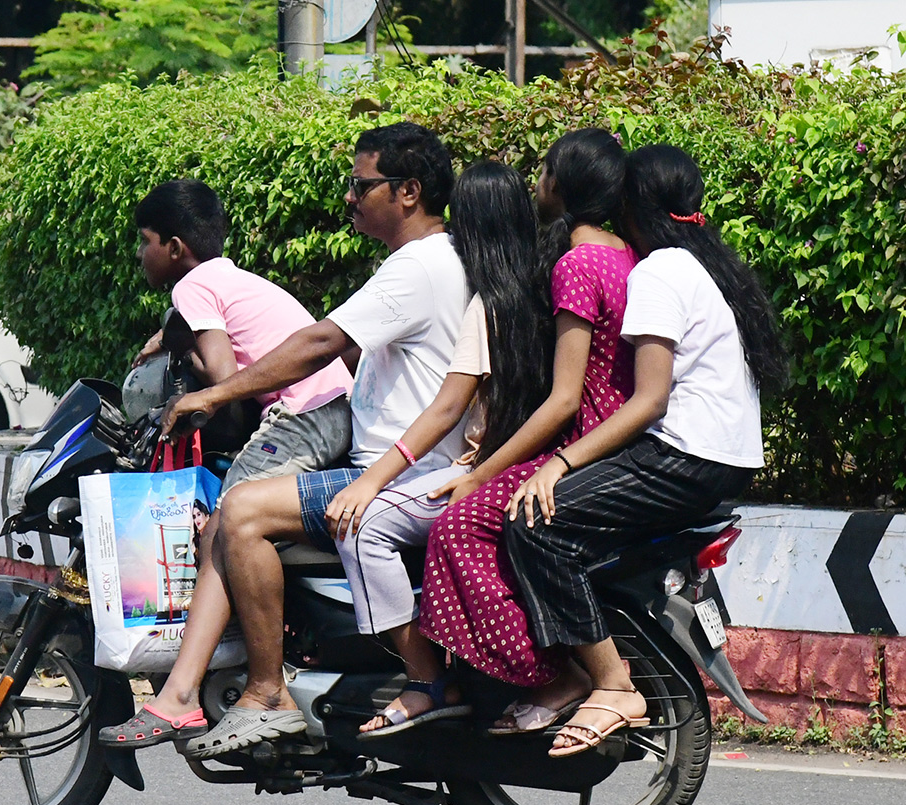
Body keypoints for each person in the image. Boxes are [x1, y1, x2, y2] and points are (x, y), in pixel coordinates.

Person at [162, 122, 470, 758]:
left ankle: (266, 691)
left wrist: (215, 395)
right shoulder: (434, 261)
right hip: (404, 465)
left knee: (240, 510)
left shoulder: (418, 267)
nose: (351, 199)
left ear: (408, 191)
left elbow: (321, 343)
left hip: (407, 477)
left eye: (362, 186)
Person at [503, 143, 788, 758]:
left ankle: (610, 682)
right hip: (721, 459)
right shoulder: (702, 265)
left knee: (536, 524)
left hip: (685, 456)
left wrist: (559, 463)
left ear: (630, 203)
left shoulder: (659, 271)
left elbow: (649, 400)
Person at [99, 179, 353, 747]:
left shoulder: (191, 287)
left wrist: (176, 349)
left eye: (144, 241)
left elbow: (219, 375)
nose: (140, 254)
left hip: (305, 414)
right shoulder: (229, 278)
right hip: (334, 409)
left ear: (173, 246)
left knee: (226, 522)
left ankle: (185, 693)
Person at [319, 160, 552, 736]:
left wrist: (370, 481)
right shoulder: (547, 291)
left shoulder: (488, 306)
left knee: (362, 525)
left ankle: (425, 681)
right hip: (539, 466)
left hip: (485, 471)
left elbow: (449, 406)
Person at [417, 128, 637, 734]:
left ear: (562, 186)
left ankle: (553, 675)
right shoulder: (626, 256)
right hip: (613, 445)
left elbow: (564, 400)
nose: (536, 182)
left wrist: (478, 476)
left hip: (581, 448)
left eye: (545, 171)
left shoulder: (576, 263)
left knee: (458, 527)